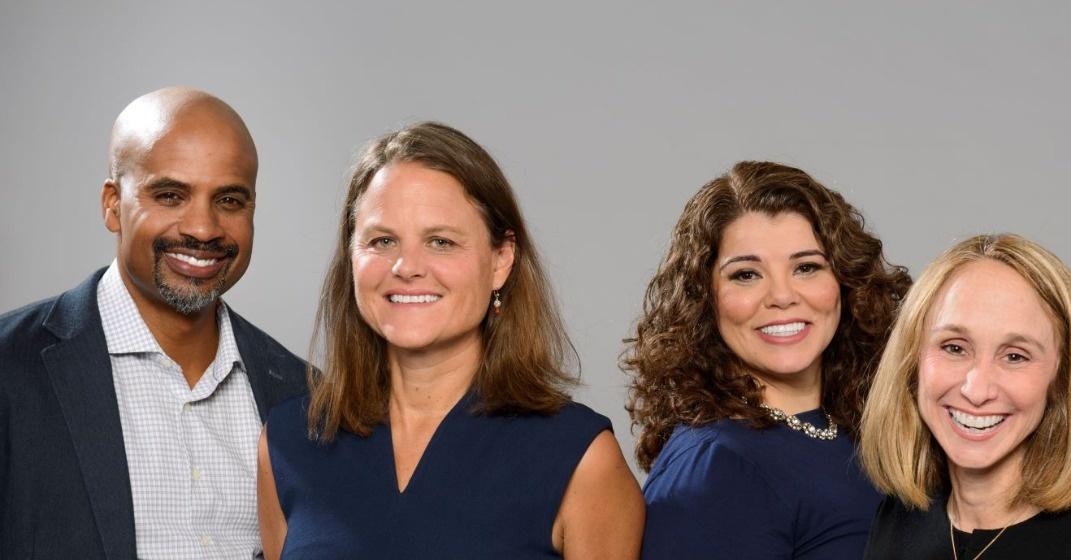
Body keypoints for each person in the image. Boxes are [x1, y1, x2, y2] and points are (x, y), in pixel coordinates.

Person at [257, 122, 643, 558]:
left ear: (501, 260)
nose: (407, 266)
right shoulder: (288, 441)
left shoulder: (581, 459)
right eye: (382, 240)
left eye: (440, 241)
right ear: (351, 256)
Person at [0, 87, 308, 559]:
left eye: (229, 200)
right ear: (112, 204)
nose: (202, 228)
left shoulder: (305, 396)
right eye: (170, 195)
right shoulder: (10, 369)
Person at [625, 161, 911, 559]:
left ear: (846, 281)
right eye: (746, 274)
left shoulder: (864, 426)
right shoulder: (717, 468)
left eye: (806, 267)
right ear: (704, 297)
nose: (782, 296)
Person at [860, 234, 1071, 559]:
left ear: (1063, 376)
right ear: (912, 360)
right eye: (954, 348)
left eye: (1015, 356)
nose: (977, 390)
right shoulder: (899, 518)